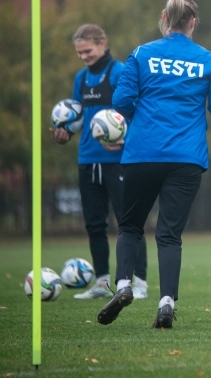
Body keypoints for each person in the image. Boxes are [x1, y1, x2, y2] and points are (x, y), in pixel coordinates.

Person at [97, 0, 211, 329]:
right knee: (169, 234)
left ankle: (122, 286)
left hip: (142, 153)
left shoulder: (142, 54)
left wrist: (143, 120)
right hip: (187, 158)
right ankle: (166, 302)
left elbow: (121, 100)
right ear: (193, 22)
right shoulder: (208, 60)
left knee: (131, 226)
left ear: (164, 18)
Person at [49, 24, 149, 301]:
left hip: (118, 160)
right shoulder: (80, 79)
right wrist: (64, 133)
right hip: (87, 159)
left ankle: (137, 282)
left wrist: (125, 139)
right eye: (79, 52)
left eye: (88, 50)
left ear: (102, 43)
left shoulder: (119, 72)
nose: (83, 56)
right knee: (94, 224)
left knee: (128, 223)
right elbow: (78, 120)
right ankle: (103, 282)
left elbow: (135, 110)